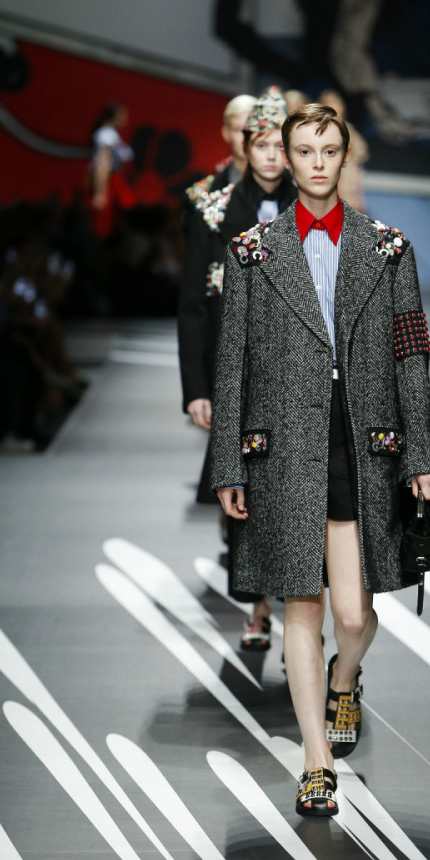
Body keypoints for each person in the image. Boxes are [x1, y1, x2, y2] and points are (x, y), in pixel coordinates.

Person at [210, 103, 430, 816]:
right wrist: (228, 464)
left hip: (361, 443)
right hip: (281, 444)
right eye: (304, 150)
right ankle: (316, 762)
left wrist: (423, 451)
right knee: (300, 607)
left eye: (328, 150)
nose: (316, 163)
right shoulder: (251, 252)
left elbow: (411, 355)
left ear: (344, 158)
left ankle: (346, 679)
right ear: (287, 157)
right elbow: (232, 361)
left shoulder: (389, 250)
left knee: (353, 612)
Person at [178, 86, 297, 651]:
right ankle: (257, 606)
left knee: (294, 491)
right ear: (245, 147)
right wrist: (196, 388)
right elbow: (193, 305)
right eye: (262, 144)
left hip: (297, 372)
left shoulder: (312, 206)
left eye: (281, 145)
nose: (272, 155)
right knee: (242, 486)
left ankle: (294, 605)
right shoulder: (214, 209)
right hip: (234, 373)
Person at [88, 103, 135, 237]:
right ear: (113, 116)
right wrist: (100, 191)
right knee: (104, 225)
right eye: (122, 114)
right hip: (108, 181)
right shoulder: (106, 135)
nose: (125, 118)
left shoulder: (112, 135)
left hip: (114, 180)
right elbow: (103, 163)